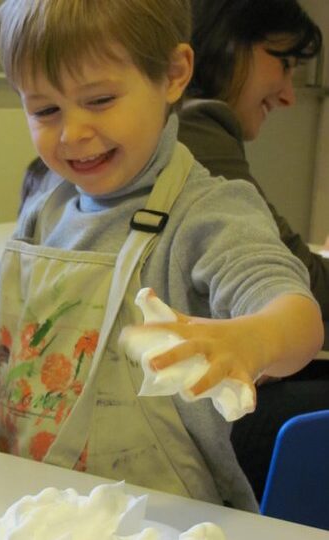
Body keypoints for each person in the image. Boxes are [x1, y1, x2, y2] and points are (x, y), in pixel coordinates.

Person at [0, 0, 323, 513]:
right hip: (37, 504)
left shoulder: (208, 212)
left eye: (101, 100)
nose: (73, 133)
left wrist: (253, 338)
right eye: (45, 110)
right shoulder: (45, 211)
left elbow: (300, 319)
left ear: (173, 75)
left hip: (164, 516)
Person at [178, 0, 329, 502]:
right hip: (195, 414)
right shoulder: (195, 130)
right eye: (282, 62)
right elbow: (306, 288)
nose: (288, 94)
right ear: (226, 41)